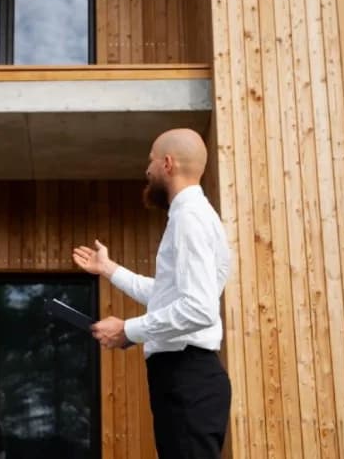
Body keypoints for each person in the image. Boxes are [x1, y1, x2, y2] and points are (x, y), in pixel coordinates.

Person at [71, 128, 233, 458]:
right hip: (187, 377)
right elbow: (169, 296)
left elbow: (199, 309)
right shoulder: (196, 217)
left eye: (151, 161)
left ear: (167, 164)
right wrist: (110, 269)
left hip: (187, 377)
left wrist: (128, 329)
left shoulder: (189, 219)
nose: (147, 170)